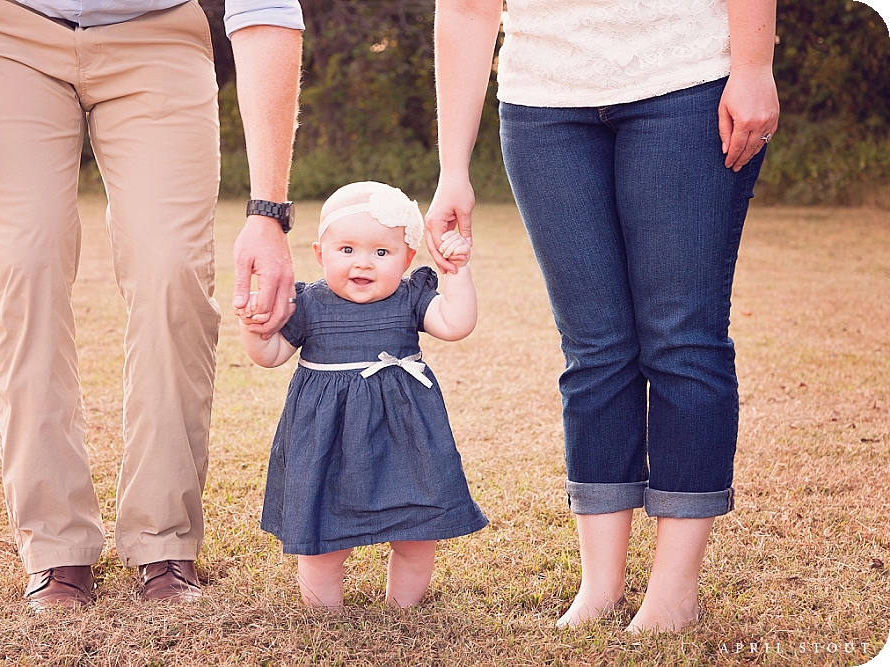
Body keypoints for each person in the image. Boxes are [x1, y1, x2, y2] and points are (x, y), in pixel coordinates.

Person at [0, 0, 303, 610]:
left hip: (160, 37)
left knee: (171, 267)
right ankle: (54, 547)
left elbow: (268, 10)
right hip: (8, 29)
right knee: (22, 264)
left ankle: (163, 539)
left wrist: (268, 213)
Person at [427, 0, 779, 632]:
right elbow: (466, 7)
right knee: (594, 348)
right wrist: (453, 168)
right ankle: (602, 587)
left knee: (682, 341)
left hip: (686, 80)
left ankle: (673, 595)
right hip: (542, 106)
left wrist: (752, 65)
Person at [237, 181, 488, 608]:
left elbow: (456, 322)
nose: (363, 264)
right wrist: (255, 324)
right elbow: (271, 354)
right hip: (327, 440)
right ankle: (324, 614)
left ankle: (402, 609)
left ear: (408, 259)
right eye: (347, 250)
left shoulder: (410, 298)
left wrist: (455, 272)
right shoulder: (309, 304)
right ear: (320, 254)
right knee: (322, 539)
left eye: (382, 253)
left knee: (416, 533)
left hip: (404, 438)